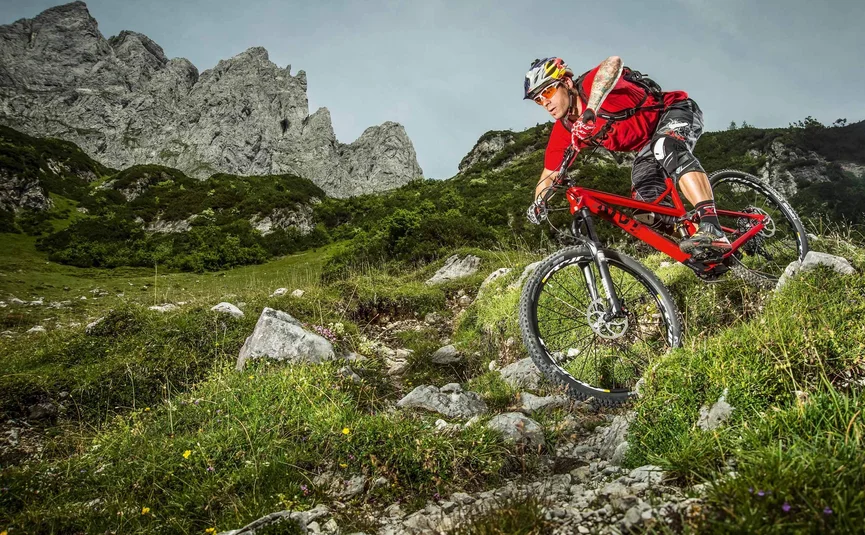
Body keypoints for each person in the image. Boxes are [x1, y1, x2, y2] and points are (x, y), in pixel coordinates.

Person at [523, 56, 731, 260]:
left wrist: (591, 109)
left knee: (665, 146)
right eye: (539, 100)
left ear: (567, 83)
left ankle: (712, 227)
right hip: (647, 146)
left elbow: (613, 63)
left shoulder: (589, 86)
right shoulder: (565, 129)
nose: (545, 102)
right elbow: (550, 174)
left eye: (548, 91)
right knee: (646, 209)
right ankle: (704, 247)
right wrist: (538, 203)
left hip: (674, 110)